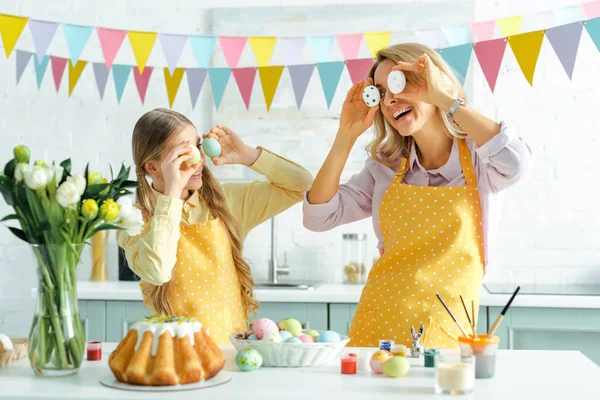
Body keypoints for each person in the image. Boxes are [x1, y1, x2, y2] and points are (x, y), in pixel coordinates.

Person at [302, 43, 532, 348]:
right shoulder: (386, 166)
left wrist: (446, 100)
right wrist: (346, 134)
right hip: (378, 324)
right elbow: (318, 217)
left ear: (432, 82)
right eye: (380, 92)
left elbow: (516, 161)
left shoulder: (482, 157)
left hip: (446, 332)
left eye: (400, 83)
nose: (390, 99)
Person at [117, 108, 313, 344]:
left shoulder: (227, 202)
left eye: (198, 147)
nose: (199, 160)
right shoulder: (133, 221)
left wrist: (248, 155)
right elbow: (157, 272)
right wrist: (171, 194)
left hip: (232, 352)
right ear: (152, 167)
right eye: (183, 155)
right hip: (176, 355)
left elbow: (304, 186)